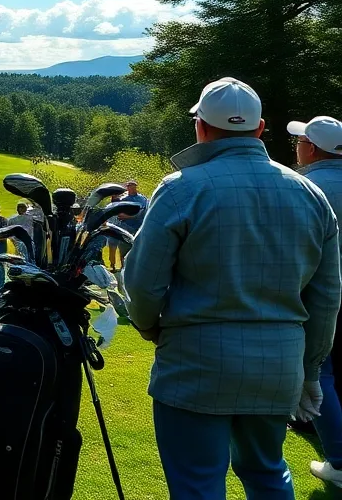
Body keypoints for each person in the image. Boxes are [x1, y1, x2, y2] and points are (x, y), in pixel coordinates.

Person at [125, 77, 341, 500]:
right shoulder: (309, 192)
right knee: (266, 471)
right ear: (260, 130)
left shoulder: (180, 187)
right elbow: (326, 297)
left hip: (195, 362)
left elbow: (143, 284)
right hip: (278, 365)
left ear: (200, 128)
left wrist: (151, 327)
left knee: (197, 482)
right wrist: (310, 370)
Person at [288, 116, 342, 488]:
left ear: (312, 148)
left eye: (300, 141)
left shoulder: (305, 188)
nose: (297, 147)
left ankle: (339, 461)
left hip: (321, 297)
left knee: (318, 373)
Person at [108, 178, 148, 271]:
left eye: (133, 186)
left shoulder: (141, 199)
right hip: (124, 227)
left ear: (136, 187)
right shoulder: (123, 198)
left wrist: (128, 217)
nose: (131, 188)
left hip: (137, 227)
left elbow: (141, 212)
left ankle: (135, 268)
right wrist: (114, 197)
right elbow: (115, 207)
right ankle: (120, 267)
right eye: (129, 186)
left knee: (135, 248)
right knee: (122, 248)